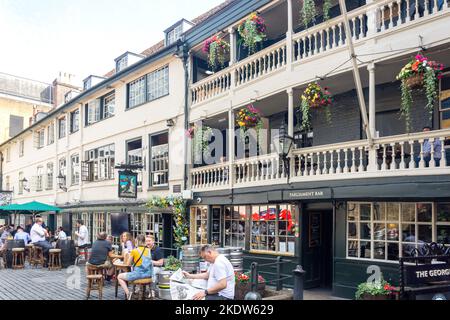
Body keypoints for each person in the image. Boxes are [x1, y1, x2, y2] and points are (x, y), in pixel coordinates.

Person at [117, 235, 154, 300]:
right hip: (148, 274)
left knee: (119, 276)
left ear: (136, 241)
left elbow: (128, 264)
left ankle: (128, 294)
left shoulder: (134, 251)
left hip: (138, 274)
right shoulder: (148, 250)